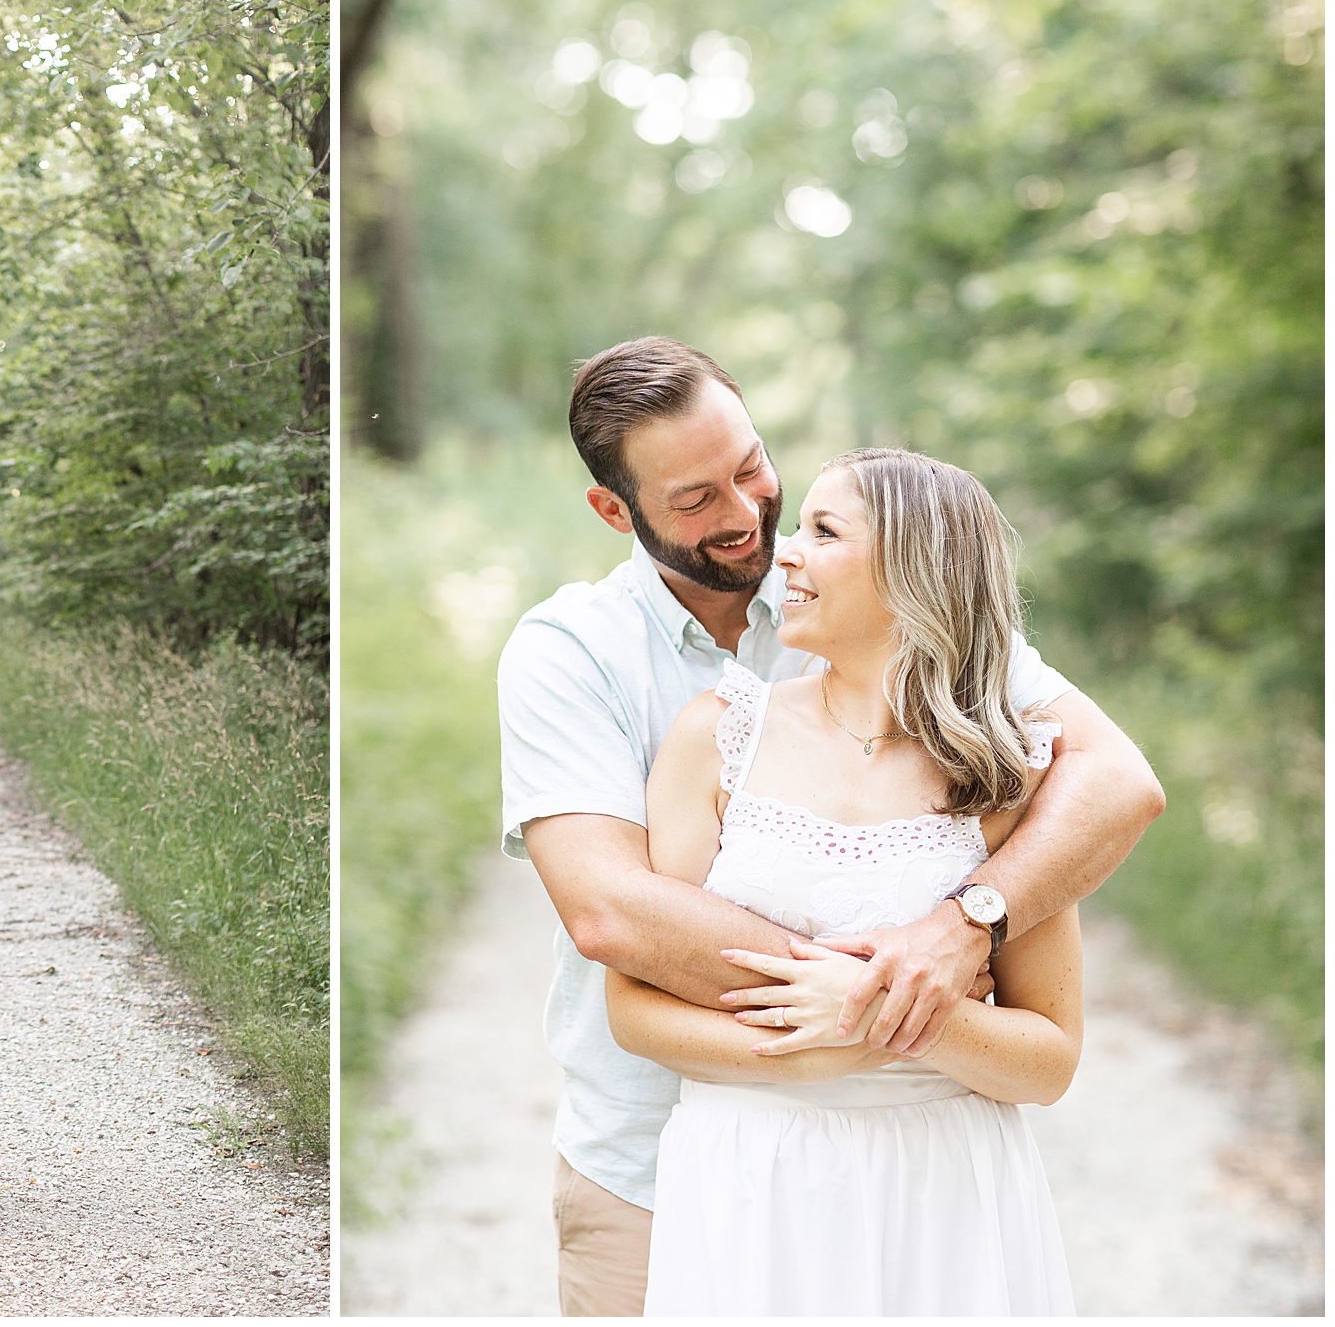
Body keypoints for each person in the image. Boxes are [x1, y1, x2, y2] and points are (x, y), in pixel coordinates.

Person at [497, 338, 1164, 1315]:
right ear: (614, 511)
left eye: (750, 466)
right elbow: (608, 917)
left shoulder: (860, 597)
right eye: (693, 499)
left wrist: (961, 925)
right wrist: (874, 1002)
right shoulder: (576, 656)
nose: (746, 518)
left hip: (929, 1183)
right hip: (660, 1168)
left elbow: (1114, 780)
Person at [609, 448, 1079, 1314]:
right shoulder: (716, 738)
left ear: (914, 570)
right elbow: (633, 1010)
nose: (783, 550)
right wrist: (837, 1042)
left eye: (823, 532)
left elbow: (1049, 1061)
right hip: (750, 1173)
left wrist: (890, 1014)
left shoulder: (1006, 769)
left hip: (946, 1188)